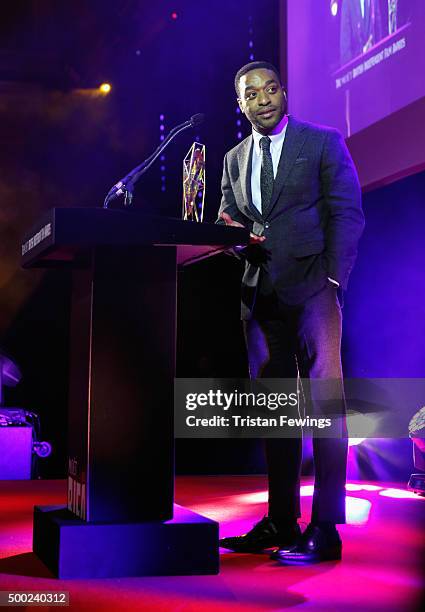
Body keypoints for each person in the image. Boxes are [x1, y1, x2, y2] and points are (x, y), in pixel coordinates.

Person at [216, 61, 365, 564]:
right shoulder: (233, 158)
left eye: (272, 89)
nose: (264, 99)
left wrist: (332, 279)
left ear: (283, 92)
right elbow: (230, 216)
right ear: (240, 105)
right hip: (259, 297)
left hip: (313, 292)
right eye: (252, 94)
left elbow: (347, 211)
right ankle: (282, 518)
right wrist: (234, 236)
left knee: (325, 409)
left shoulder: (321, 141)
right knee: (274, 413)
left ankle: (326, 527)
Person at [340, 0, 384, 65]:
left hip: (374, 60)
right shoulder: (347, 2)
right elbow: (345, 44)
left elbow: (378, 30)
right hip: (357, 65)